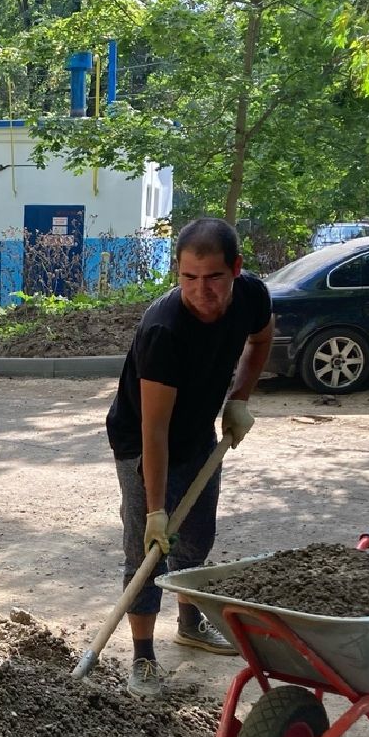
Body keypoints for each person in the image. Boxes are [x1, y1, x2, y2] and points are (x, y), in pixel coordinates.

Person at [104, 217, 274, 699]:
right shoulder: (165, 330)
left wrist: (239, 398)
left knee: (196, 537)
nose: (201, 290)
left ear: (236, 268)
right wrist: (156, 509)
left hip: (198, 432)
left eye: (214, 277)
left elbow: (262, 339)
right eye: (188, 277)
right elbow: (154, 430)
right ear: (177, 272)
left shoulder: (252, 296)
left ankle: (189, 623)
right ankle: (143, 656)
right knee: (147, 550)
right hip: (142, 441)